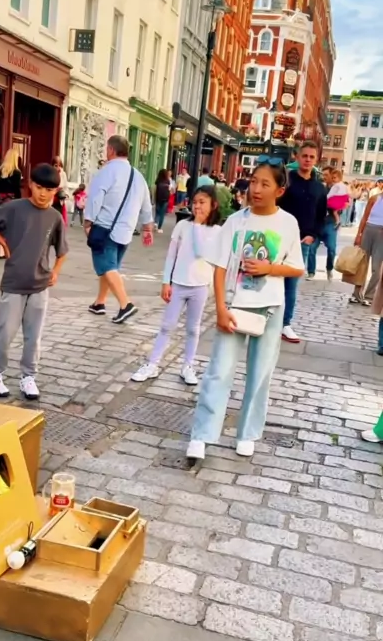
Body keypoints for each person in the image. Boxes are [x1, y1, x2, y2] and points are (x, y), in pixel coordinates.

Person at [186, 161, 304, 463]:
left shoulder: (288, 223)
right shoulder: (236, 221)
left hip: (270, 307)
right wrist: (220, 308)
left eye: (265, 184)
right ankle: (202, 435)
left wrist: (269, 268)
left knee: (260, 373)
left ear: (279, 190)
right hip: (234, 304)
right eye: (253, 181)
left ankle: (247, 434)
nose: (256, 189)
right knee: (219, 370)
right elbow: (219, 266)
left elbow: (296, 268)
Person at [0, 163, 68, 401]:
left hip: (40, 285)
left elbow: (62, 250)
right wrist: (4, 243)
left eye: (49, 190)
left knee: (33, 336)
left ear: (56, 191)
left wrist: (56, 272)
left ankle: (28, 377)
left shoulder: (55, 217)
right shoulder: (15, 208)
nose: (43, 193)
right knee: (4, 332)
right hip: (14, 282)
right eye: (39, 187)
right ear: (30, 185)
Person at [131, 185, 222, 387]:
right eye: (195, 202)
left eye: (202, 202)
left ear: (213, 205)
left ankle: (187, 366)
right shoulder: (182, 226)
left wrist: (198, 226)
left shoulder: (217, 231)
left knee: (193, 328)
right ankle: (153, 363)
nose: (197, 206)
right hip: (179, 283)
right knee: (167, 325)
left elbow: (205, 254)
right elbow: (171, 255)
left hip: (200, 285)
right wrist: (166, 281)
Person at [85, 135, 153, 324]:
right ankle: (99, 303)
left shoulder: (106, 172)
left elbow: (95, 198)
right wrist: (147, 228)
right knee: (111, 268)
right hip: (126, 231)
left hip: (105, 228)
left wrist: (88, 222)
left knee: (108, 268)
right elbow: (146, 205)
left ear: (111, 150)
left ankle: (125, 304)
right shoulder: (138, 176)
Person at [279, 142, 327, 341]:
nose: (307, 160)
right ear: (297, 157)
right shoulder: (286, 181)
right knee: (272, 280)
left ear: (316, 160)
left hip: (303, 242)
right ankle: (267, 318)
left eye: (311, 157)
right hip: (280, 238)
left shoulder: (319, 188)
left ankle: (285, 323)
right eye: (304, 156)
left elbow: (321, 216)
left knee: (291, 285)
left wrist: (313, 236)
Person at [350, 188, 383, 306]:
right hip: (368, 229)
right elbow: (364, 217)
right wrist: (359, 234)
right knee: (362, 264)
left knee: (376, 267)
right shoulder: (374, 199)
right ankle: (356, 294)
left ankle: (369, 295)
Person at [0, 149, 23, 258]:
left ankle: (0, 251)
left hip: (0, 198)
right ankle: (8, 249)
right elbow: (17, 189)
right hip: (11, 199)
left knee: (1, 225)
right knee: (11, 225)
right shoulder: (16, 172)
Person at [154, 168, 171, 233]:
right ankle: (159, 228)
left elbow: (155, 189)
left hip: (158, 198)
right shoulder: (168, 181)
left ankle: (155, 223)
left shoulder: (158, 180)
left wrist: (154, 198)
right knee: (162, 214)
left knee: (157, 212)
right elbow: (169, 190)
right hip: (165, 199)